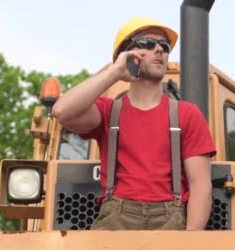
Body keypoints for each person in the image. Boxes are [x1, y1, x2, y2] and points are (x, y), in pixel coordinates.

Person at [52, 17, 216, 231]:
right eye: (148, 43)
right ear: (126, 55)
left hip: (170, 222)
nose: (159, 50)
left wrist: (189, 244)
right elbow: (61, 111)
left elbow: (201, 185)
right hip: (115, 221)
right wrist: (113, 72)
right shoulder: (107, 111)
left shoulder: (187, 114)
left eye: (164, 46)